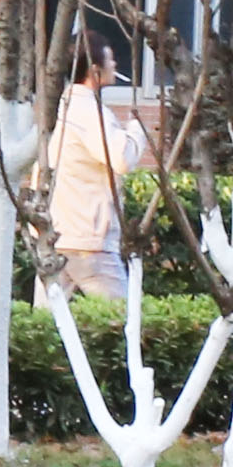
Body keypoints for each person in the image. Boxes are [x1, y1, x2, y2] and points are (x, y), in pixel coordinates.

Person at [43, 44, 146, 295]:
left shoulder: (65, 107)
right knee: (121, 316)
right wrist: (137, 130)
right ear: (94, 70)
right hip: (88, 241)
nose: (115, 65)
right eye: (110, 60)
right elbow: (121, 158)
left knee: (47, 318)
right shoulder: (88, 111)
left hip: (57, 236)